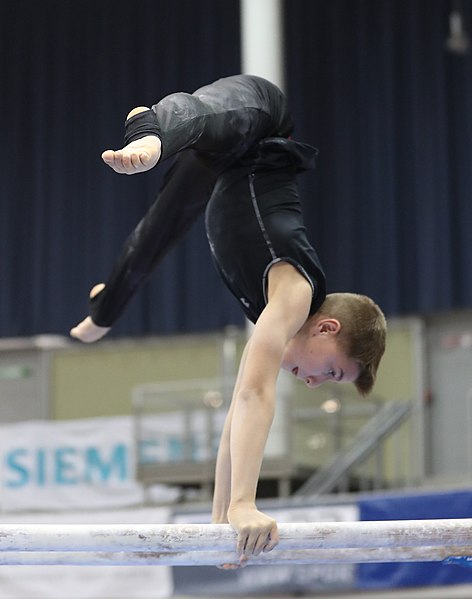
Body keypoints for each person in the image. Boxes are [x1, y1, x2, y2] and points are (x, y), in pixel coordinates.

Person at [70, 74, 387, 566]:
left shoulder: (270, 320)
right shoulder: (295, 295)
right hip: (262, 123)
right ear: (328, 328)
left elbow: (237, 417)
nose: (313, 383)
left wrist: (221, 524)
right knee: (210, 118)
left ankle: (106, 305)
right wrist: (244, 503)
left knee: (160, 230)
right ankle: (150, 128)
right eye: (331, 371)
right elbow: (254, 397)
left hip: (223, 168)